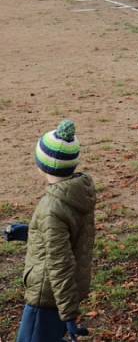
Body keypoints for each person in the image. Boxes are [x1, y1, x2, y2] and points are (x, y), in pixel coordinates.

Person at [4, 120, 95, 341]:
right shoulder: (76, 193)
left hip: (47, 295)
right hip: (65, 291)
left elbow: (59, 263)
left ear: (42, 164)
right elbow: (63, 237)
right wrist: (30, 231)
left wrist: (69, 315)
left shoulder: (51, 208)